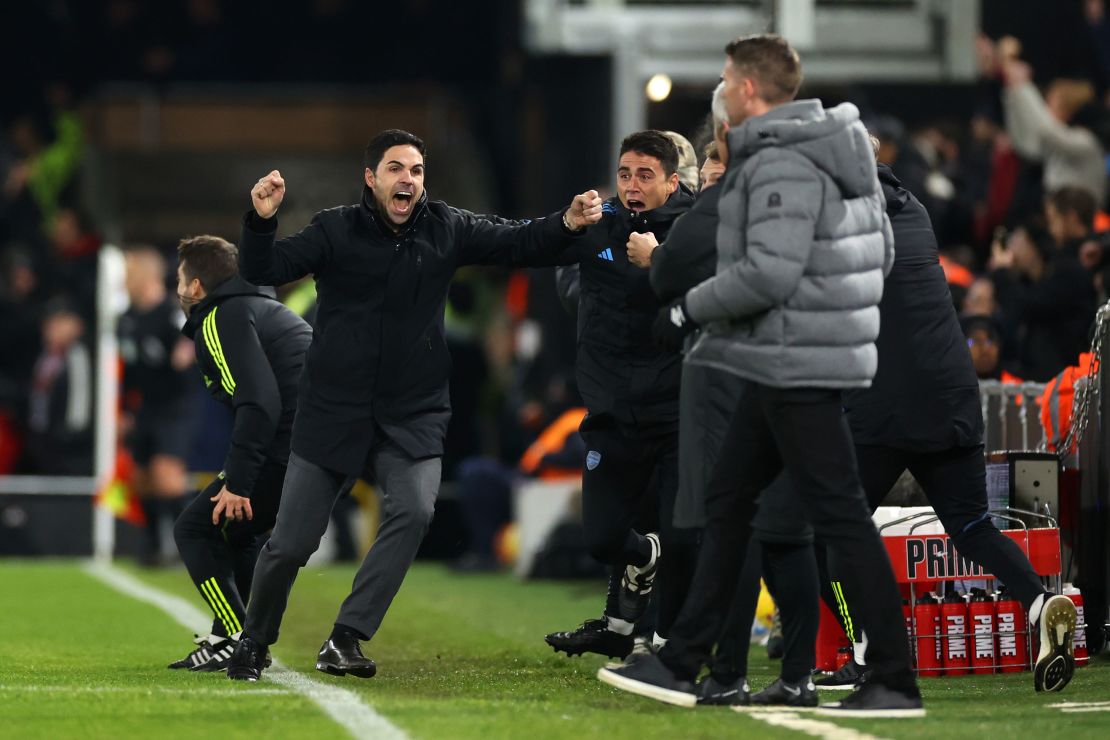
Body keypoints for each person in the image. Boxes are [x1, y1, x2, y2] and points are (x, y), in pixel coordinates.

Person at [599, 33, 924, 718]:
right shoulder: (839, 151)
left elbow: (771, 273)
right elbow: (881, 250)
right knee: (730, 505)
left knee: (835, 515)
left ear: (747, 91)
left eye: (724, 78)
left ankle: (893, 677)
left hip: (794, 358)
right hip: (790, 353)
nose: (718, 89)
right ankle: (687, 661)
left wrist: (690, 308)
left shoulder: (782, 162)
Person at [227, 128, 601, 681]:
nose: (409, 179)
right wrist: (260, 221)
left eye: (417, 170)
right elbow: (265, 269)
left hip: (413, 411)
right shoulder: (334, 229)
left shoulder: (448, 227)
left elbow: (517, 243)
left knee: (416, 510)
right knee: (289, 545)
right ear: (371, 178)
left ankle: (346, 636)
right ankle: (254, 641)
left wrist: (566, 223)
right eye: (397, 169)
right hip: (334, 408)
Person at [814, 152, 1078, 695]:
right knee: (972, 524)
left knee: (834, 527)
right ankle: (1037, 603)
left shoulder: (838, 221)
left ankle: (867, 651)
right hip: (952, 394)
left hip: (885, 403)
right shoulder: (914, 210)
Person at [543, 130, 697, 660]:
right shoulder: (598, 222)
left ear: (672, 182)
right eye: (625, 174)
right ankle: (640, 566)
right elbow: (540, 251)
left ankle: (670, 648)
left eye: (645, 175)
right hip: (612, 410)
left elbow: (723, 290)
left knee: (686, 536)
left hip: (679, 411)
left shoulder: (696, 231)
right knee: (603, 539)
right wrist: (566, 226)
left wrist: (662, 261)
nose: (631, 186)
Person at [167, 235, 311, 672]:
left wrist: (239, 482)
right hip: (319, 448)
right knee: (237, 530)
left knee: (194, 529)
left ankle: (235, 635)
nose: (176, 287)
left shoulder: (218, 317)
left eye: (179, 278)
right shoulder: (261, 307)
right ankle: (223, 636)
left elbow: (260, 403)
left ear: (195, 288)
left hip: (291, 447)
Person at [118, 246, 197, 565]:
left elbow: (194, 333)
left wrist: (187, 349)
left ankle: (192, 542)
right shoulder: (126, 319)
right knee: (141, 479)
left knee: (167, 476)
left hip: (175, 406)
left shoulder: (170, 311)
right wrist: (125, 409)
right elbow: (129, 369)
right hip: (145, 407)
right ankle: (151, 546)